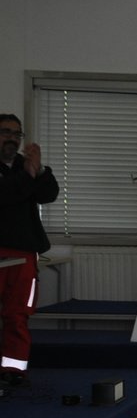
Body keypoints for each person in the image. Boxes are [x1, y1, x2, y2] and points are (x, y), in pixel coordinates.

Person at [0, 114, 58, 386]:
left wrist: (41, 169)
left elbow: (48, 195)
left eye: (17, 134)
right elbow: (7, 195)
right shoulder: (24, 172)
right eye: (6, 132)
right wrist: (30, 174)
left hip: (23, 253)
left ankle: (13, 370)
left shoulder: (26, 166)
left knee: (17, 313)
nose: (12, 138)